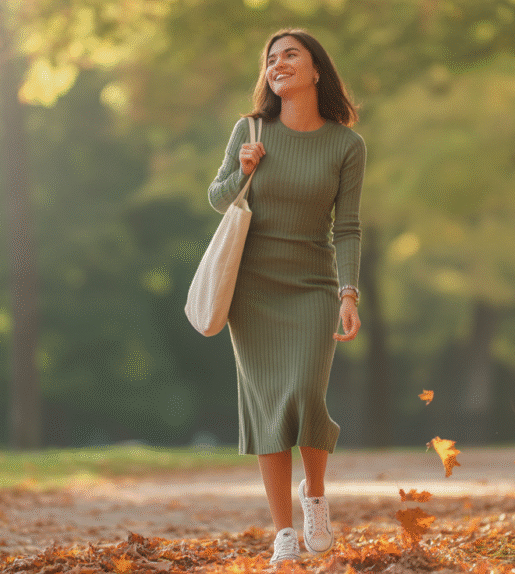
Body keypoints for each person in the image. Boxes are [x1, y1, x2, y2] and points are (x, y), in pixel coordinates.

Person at [207, 28, 365, 565]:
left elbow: (348, 227)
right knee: (268, 407)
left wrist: (349, 292)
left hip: (314, 286)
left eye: (290, 55)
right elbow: (217, 197)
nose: (278, 64)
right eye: (271, 59)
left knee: (305, 394)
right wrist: (243, 169)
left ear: (316, 69)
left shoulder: (346, 144)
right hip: (252, 291)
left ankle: (314, 498)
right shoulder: (249, 130)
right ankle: (283, 533)